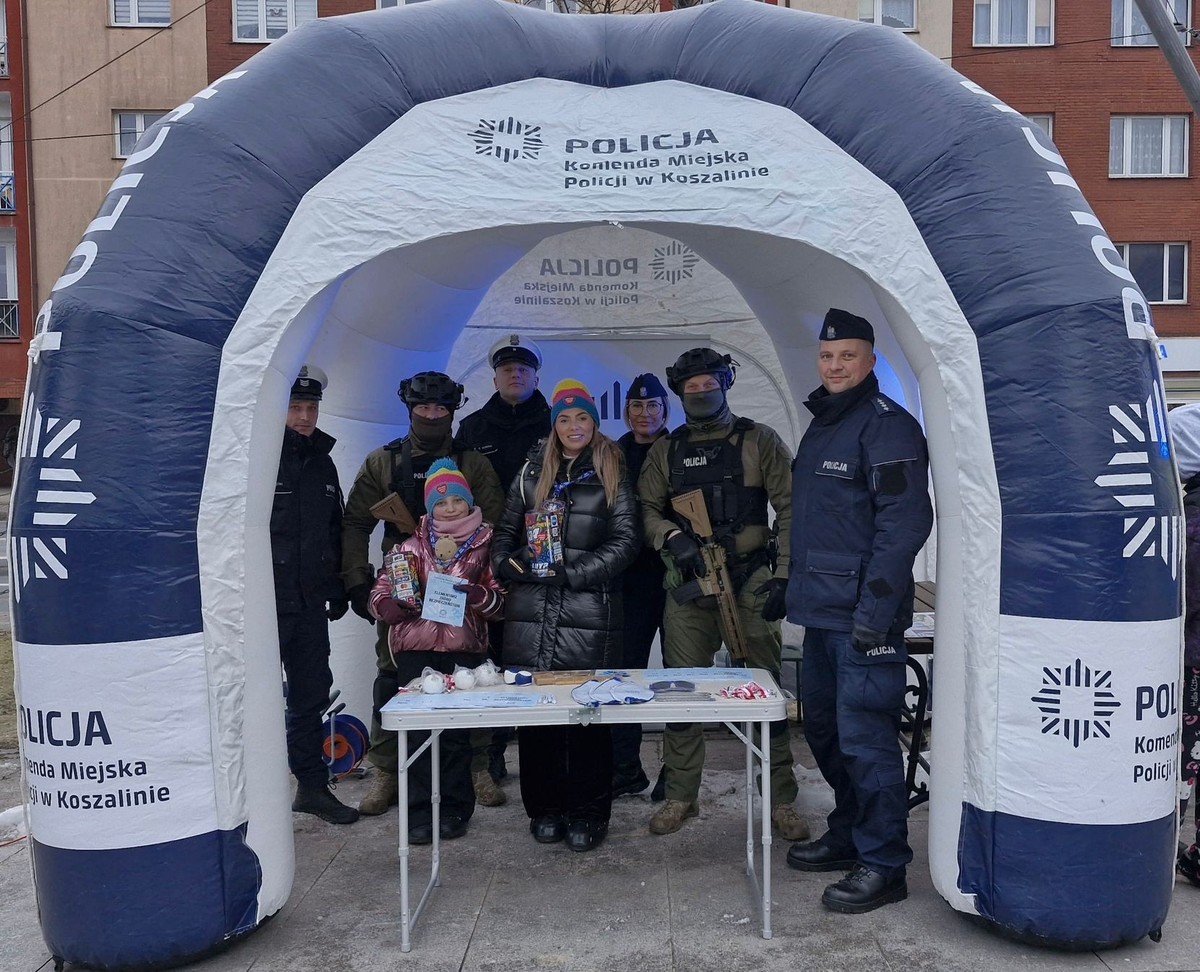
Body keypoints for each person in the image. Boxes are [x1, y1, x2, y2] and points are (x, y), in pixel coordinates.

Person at [783, 308, 933, 914]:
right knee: (823, 731)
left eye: (847, 356)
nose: (835, 366)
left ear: (870, 361)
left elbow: (905, 524)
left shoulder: (887, 427)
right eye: (827, 356)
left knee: (866, 740)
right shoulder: (825, 424)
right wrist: (786, 584)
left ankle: (885, 862)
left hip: (864, 620)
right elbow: (817, 522)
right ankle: (849, 832)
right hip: (821, 613)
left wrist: (876, 611)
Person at [638, 348, 806, 841]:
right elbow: (645, 508)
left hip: (750, 582)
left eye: (709, 383)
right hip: (689, 586)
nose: (701, 392)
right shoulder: (666, 451)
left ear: (726, 383)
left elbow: (792, 508)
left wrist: (785, 575)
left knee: (764, 693)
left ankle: (780, 798)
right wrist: (671, 537)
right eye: (691, 387)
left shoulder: (759, 440)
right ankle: (681, 794)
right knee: (682, 694)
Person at [342, 371, 505, 817]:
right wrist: (358, 581)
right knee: (391, 676)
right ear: (409, 408)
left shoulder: (472, 463)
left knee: (470, 676)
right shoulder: (383, 462)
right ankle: (387, 767)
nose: (432, 416)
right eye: (423, 408)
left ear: (453, 411)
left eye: (441, 408)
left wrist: (480, 578)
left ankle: (476, 766)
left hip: (462, 588)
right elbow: (355, 522)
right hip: (404, 587)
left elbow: (495, 523)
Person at [491, 379, 640, 852]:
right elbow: (504, 532)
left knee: (586, 717)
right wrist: (506, 563)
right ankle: (545, 808)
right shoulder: (531, 471)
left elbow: (626, 542)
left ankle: (589, 812)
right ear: (554, 424)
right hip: (531, 613)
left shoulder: (612, 467)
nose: (574, 427)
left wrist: (574, 574)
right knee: (538, 719)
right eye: (565, 419)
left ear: (593, 422)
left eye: (582, 418)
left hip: (588, 614)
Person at [368, 458, 505, 844]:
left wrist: (478, 596)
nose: (450, 508)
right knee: (416, 737)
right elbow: (380, 590)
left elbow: (502, 603)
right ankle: (418, 814)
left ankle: (455, 810)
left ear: (469, 502)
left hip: (463, 652)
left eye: (457, 500)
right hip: (416, 651)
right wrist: (387, 606)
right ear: (430, 507)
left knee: (457, 738)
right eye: (441, 503)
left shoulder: (486, 545)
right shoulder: (410, 546)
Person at [454, 334, 551, 805]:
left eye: (523, 368)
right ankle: (489, 756)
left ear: (536, 377)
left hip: (545, 560)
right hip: (486, 564)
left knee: (538, 656)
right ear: (494, 378)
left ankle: (541, 753)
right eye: (507, 368)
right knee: (488, 659)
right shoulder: (472, 429)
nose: (515, 374)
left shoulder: (557, 425)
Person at [272, 365, 358, 825]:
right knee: (255, 700)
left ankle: (310, 787)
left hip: (308, 605)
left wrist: (337, 587)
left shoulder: (323, 461)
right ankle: (255, 796)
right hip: (265, 607)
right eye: (295, 407)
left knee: (310, 696)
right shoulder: (259, 457)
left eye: (311, 407)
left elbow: (333, 531)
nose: (305, 417)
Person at [611, 373, 670, 797]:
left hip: (676, 577)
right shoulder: (613, 455)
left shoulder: (680, 448)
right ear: (626, 411)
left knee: (679, 675)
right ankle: (625, 768)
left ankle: (677, 771)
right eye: (636, 406)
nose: (644, 413)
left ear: (665, 411)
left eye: (652, 406)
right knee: (625, 674)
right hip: (629, 581)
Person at [1168, 403, 1200, 886]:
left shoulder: (1192, 525)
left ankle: (1158, 843)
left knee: (1182, 758)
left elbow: (1185, 602)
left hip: (1195, 663)